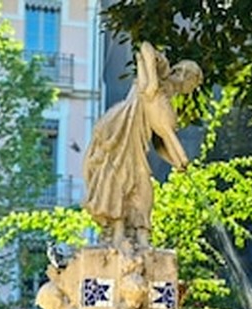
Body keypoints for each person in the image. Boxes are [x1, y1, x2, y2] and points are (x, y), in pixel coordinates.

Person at [81, 42, 202, 249]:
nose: (192, 89)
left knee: (143, 189)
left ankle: (140, 239)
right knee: (118, 179)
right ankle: (118, 236)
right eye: (194, 83)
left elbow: (160, 140)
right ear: (184, 74)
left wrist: (177, 162)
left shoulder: (168, 97)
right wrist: (152, 81)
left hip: (138, 142)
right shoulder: (162, 70)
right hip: (123, 127)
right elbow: (145, 47)